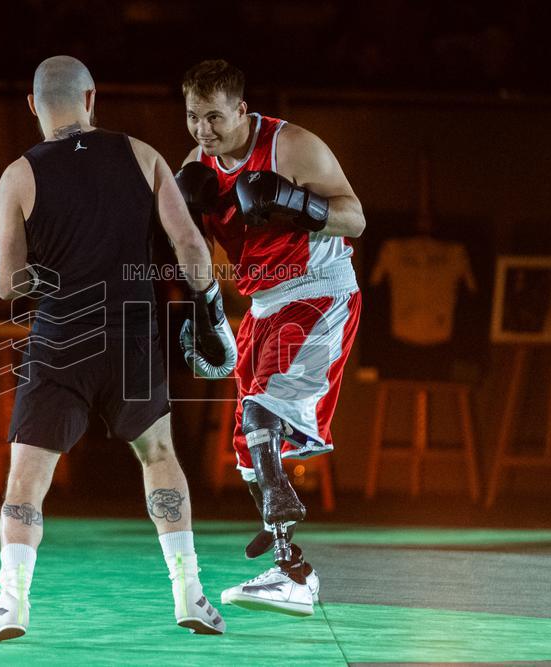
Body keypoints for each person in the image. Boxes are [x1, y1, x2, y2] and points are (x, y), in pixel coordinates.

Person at [0, 55, 236, 643]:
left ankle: (11, 605)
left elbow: (6, 284)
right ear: (92, 99)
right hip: (135, 333)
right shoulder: (143, 155)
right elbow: (189, 246)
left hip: (62, 334)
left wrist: (52, 275)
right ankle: (190, 595)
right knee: (159, 453)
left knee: (27, 479)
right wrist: (212, 311)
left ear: (34, 106)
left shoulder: (19, 175)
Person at [175, 59, 365, 617]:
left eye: (214, 117)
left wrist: (299, 205)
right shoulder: (195, 163)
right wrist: (206, 311)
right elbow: (192, 252)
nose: (203, 131)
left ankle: (292, 570)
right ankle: (292, 573)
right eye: (191, 117)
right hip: (261, 304)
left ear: (240, 108)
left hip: (319, 291)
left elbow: (355, 219)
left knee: (263, 412)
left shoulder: (293, 146)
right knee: (246, 449)